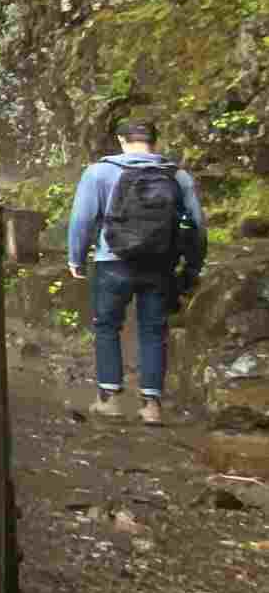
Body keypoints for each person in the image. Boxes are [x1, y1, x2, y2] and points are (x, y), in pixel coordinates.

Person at [66, 118, 207, 424]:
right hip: (160, 264)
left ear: (121, 140)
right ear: (155, 141)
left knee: (106, 327)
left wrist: (75, 259)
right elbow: (197, 225)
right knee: (154, 331)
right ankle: (152, 406)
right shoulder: (177, 176)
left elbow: (82, 219)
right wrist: (192, 267)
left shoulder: (99, 172)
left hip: (112, 260)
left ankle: (110, 399)